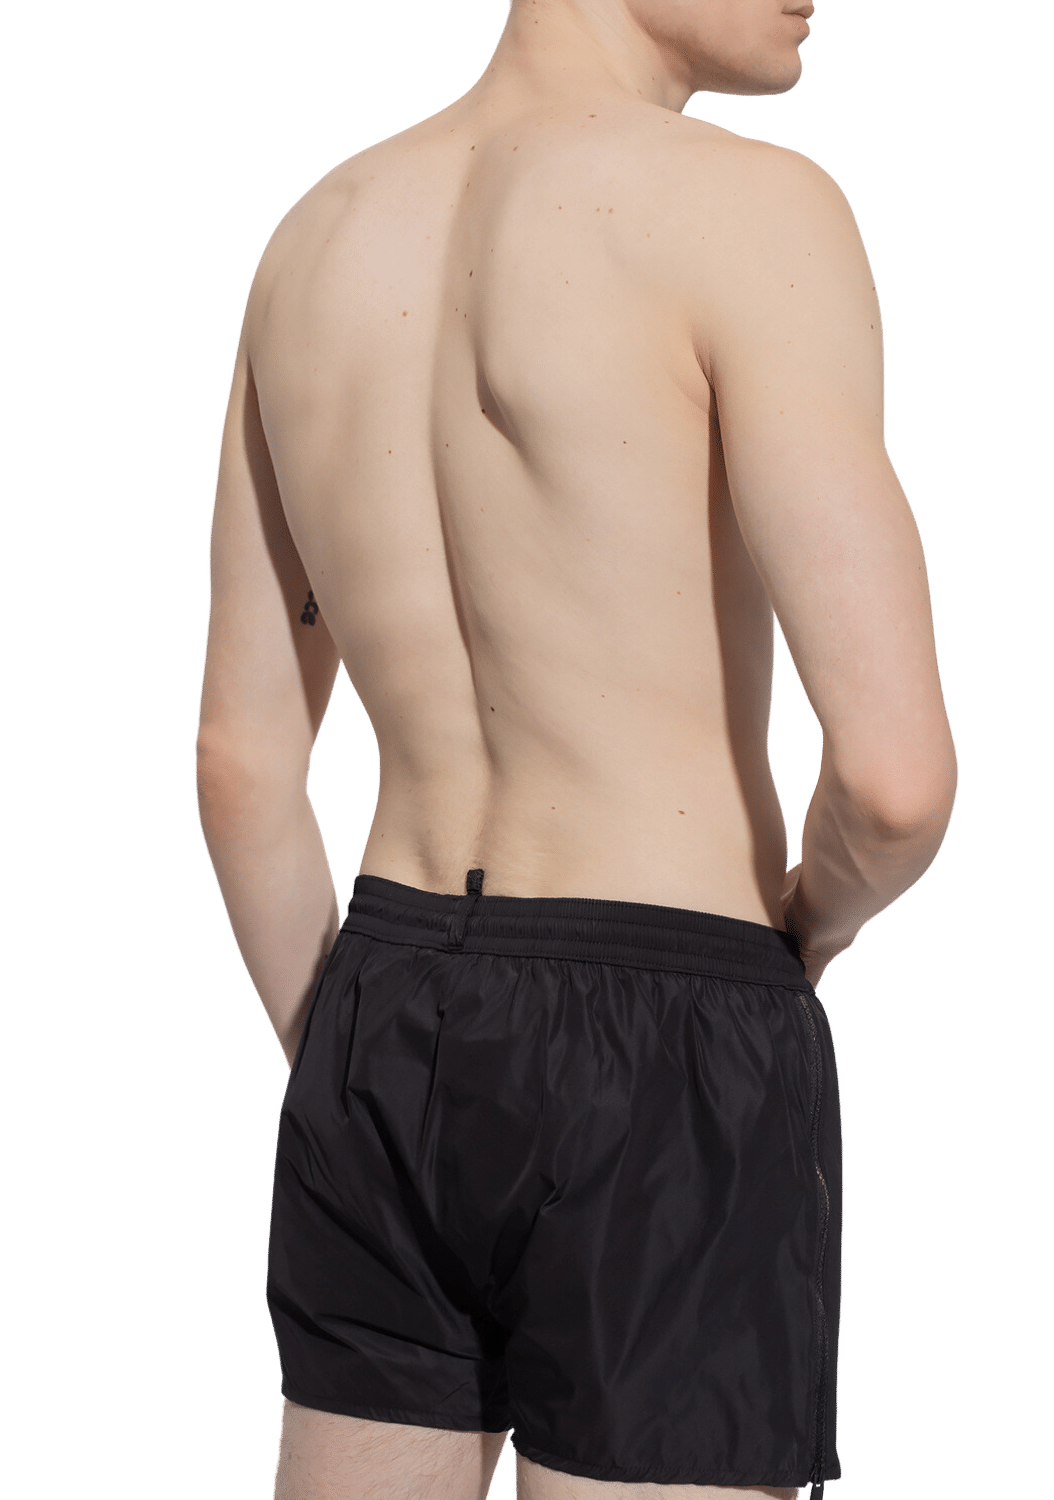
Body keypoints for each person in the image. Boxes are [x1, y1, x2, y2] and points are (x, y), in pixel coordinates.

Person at [195, 2, 958, 1496]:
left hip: (383, 1002)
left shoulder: (312, 238)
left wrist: (352, 1078)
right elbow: (895, 780)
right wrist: (800, 938)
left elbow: (241, 764)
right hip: (667, 1009)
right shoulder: (752, 210)